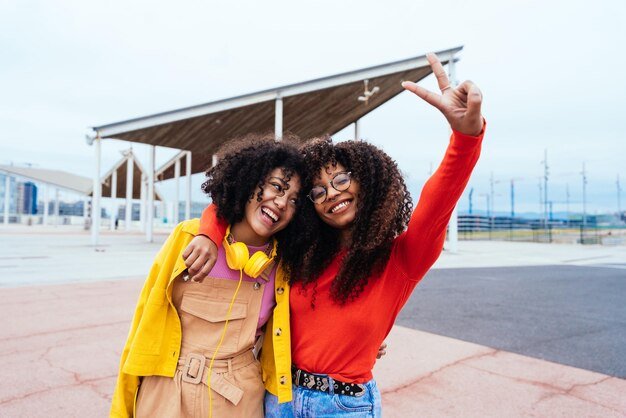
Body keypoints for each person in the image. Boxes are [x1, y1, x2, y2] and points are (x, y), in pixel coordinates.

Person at [185, 52, 485, 416]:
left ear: (368, 182)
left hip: (345, 405)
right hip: (279, 397)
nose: (333, 194)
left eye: (341, 179)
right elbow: (233, 209)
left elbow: (438, 200)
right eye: (319, 191)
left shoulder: (403, 257)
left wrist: (464, 138)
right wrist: (208, 234)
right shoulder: (301, 254)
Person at [110, 135, 307, 418]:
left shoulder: (284, 267)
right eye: (276, 187)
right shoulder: (187, 238)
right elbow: (143, 326)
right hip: (165, 393)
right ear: (249, 180)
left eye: (294, 201)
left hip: (240, 401)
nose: (281, 203)